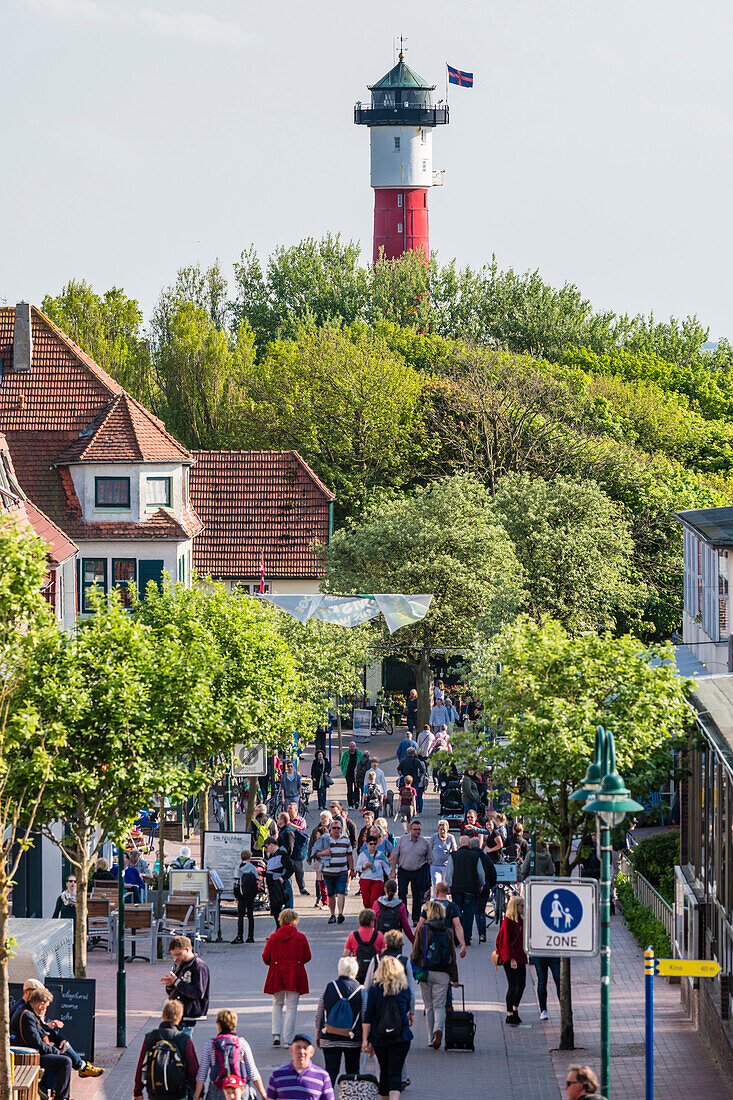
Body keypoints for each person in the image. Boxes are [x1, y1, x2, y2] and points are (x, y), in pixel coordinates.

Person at [11, 985, 104, 1093]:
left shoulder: (29, 1011)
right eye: (46, 1007)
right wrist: (56, 1051)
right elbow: (36, 1043)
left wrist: (61, 1039)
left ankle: (51, 1089)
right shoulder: (26, 1015)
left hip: (33, 1051)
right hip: (27, 1055)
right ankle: (59, 1094)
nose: (45, 1010)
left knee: (64, 1056)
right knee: (65, 1061)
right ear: (41, 1005)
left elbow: (44, 1029)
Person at [362, 956, 413, 1100]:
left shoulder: (374, 991)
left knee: (384, 1072)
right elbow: (407, 1008)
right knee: (395, 1072)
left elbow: (368, 1016)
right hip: (401, 1036)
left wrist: (366, 1040)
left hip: (379, 1037)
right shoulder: (404, 989)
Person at [410, 900, 459, 1049]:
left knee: (428, 1006)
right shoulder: (447, 931)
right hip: (443, 972)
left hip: (425, 971)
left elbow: (415, 952)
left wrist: (414, 968)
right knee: (439, 1005)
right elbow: (452, 956)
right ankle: (439, 1029)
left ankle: (430, 1038)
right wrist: (455, 978)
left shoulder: (422, 929)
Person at [315, 957, 367, 1086]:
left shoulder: (329, 987)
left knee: (330, 1071)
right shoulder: (361, 990)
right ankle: (352, 1095)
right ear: (356, 970)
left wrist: (318, 1033)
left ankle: (327, 1096)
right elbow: (366, 1016)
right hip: (352, 1037)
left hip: (329, 1036)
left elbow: (319, 1012)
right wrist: (366, 1039)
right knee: (353, 1071)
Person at [262, 909, 311, 1047]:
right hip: (295, 973)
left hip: (277, 972)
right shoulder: (300, 937)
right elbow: (307, 956)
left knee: (277, 1003)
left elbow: (266, 958)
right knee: (292, 1007)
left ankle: (276, 1033)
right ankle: (288, 1039)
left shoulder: (273, 937)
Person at [133, 999, 199, 1100]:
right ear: (180, 1017)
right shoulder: (183, 1039)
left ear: (163, 1015)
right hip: (178, 1094)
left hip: (155, 1093)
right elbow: (193, 1069)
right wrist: (199, 1093)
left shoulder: (150, 1037)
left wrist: (137, 1091)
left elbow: (141, 1066)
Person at [163, 935, 211, 1035]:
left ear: (187, 949)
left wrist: (177, 982)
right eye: (174, 955)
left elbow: (198, 993)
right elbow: (176, 988)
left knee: (183, 1045)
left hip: (188, 1013)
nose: (176, 958)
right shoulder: (181, 964)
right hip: (178, 1015)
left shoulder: (198, 966)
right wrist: (170, 985)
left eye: (178, 954)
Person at [310, 818, 354, 924]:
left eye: (338, 828)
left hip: (342, 871)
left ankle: (340, 914)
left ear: (341, 829)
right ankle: (332, 914)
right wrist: (323, 853)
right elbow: (314, 853)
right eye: (334, 828)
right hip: (328, 872)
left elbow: (350, 856)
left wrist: (352, 869)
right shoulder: (325, 840)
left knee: (341, 892)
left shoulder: (345, 840)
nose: (336, 830)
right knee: (331, 894)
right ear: (330, 829)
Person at [443, 835, 485, 946]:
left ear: (460, 844)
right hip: (471, 889)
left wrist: (449, 886)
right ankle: (466, 938)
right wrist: (481, 884)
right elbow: (480, 873)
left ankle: (457, 938)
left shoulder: (454, 855)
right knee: (469, 914)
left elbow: (449, 872)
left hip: (457, 889)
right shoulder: (475, 856)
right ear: (469, 845)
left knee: (457, 913)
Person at [267, 1034, 333, 1100]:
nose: (301, 1051)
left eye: (305, 1048)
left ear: (312, 1052)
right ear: (291, 1050)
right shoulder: (277, 1075)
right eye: (298, 1047)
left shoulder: (322, 1076)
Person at [391, 819, 432, 923]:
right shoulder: (402, 840)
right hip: (403, 870)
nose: (417, 831)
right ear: (410, 830)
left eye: (419, 829)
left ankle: (416, 918)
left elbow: (430, 859)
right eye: (415, 829)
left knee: (417, 895)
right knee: (401, 893)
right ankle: (403, 914)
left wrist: (426, 873)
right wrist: (393, 871)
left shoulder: (424, 843)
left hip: (418, 871)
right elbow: (395, 855)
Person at [495, 894, 527, 1026]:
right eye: (521, 906)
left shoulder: (521, 920)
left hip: (520, 956)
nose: (523, 908)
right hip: (510, 958)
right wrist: (511, 959)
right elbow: (505, 942)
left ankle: (515, 1008)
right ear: (515, 907)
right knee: (513, 985)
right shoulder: (507, 921)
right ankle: (510, 1013)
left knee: (522, 985)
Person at [415, 881, 466, 957]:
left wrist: (416, 940)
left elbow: (420, 924)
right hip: (447, 938)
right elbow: (457, 925)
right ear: (448, 892)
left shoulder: (429, 906)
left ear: (436, 891)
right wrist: (462, 944)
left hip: (431, 938)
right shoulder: (453, 907)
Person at [344, 909, 386, 982]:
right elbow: (384, 954)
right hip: (375, 973)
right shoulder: (379, 935)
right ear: (372, 922)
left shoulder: (353, 935)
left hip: (357, 972)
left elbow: (346, 955)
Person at [263, 837, 295, 924]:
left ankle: (281, 930)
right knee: (275, 909)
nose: (266, 849)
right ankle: (279, 931)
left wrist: (282, 878)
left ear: (271, 845)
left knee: (277, 909)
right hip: (272, 886)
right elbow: (271, 870)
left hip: (277, 886)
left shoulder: (282, 854)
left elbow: (290, 869)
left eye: (266, 847)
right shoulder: (272, 855)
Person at [232, 849, 260, 944]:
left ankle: (240, 936)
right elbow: (256, 880)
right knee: (250, 915)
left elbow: (236, 882)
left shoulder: (238, 868)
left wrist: (236, 895)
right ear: (249, 857)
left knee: (240, 916)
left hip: (241, 894)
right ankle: (250, 936)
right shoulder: (252, 867)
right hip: (251, 895)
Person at [356, 835, 392, 910]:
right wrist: (364, 866)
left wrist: (389, 875)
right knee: (366, 902)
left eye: (375, 844)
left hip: (377, 880)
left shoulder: (380, 855)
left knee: (374, 900)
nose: (373, 846)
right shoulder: (363, 855)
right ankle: (369, 916)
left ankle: (374, 917)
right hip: (365, 880)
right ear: (367, 844)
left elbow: (386, 866)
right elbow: (358, 868)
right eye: (371, 844)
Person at [473, 837, 498, 943]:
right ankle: (482, 933)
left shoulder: (471, 856)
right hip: (485, 886)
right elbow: (493, 872)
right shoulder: (485, 857)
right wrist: (491, 885)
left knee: (474, 911)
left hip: (472, 887)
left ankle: (468, 935)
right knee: (481, 911)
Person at [374, 878, 414, 943]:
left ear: (384, 890)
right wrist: (413, 941)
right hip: (395, 939)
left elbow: (373, 922)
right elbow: (406, 926)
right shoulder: (400, 905)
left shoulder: (377, 903)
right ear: (396, 891)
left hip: (380, 938)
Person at [429, 820, 457, 894]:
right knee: (437, 884)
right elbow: (430, 850)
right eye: (440, 829)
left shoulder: (451, 838)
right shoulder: (434, 837)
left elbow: (454, 850)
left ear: (447, 829)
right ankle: (437, 901)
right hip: (435, 865)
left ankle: (445, 901)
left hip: (446, 866)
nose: (442, 831)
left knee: (445, 886)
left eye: (444, 829)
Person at [532, 954, 561, 1020]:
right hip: (548, 953)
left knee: (544, 981)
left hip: (544, 954)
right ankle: (543, 1010)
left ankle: (544, 1011)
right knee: (543, 981)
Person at [397, 749, 426, 814]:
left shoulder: (403, 761)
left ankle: (403, 808)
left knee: (404, 795)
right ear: (413, 753)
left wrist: (402, 775)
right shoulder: (416, 761)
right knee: (415, 796)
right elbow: (422, 771)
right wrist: (419, 777)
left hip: (406, 780)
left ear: (407, 753)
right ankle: (417, 810)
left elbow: (399, 770)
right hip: (415, 780)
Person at [340, 741, 363, 809]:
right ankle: (350, 804)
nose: (352, 747)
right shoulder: (345, 754)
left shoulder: (359, 753)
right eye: (351, 746)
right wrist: (344, 771)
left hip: (356, 774)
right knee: (349, 789)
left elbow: (361, 762)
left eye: (353, 746)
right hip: (348, 774)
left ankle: (356, 801)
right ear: (349, 747)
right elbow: (342, 763)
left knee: (356, 788)